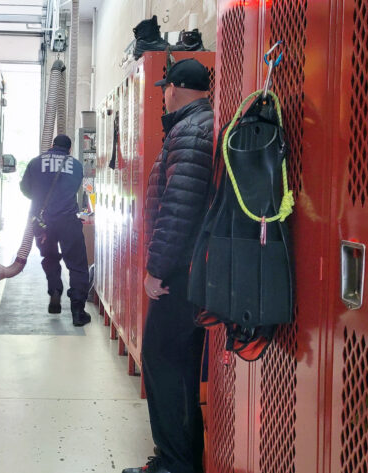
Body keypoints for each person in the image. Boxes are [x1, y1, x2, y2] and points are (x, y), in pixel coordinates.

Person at [123, 59, 214, 473]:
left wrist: (156, 269)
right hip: (192, 269)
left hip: (182, 274)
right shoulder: (193, 127)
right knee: (174, 367)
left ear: (175, 88)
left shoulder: (190, 132)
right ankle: (179, 459)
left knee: (164, 363)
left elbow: (180, 208)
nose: (161, 93)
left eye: (164, 87)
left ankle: (176, 464)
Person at [20, 134, 92, 327]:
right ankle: (78, 311)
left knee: (50, 257)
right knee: (77, 265)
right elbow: (76, 188)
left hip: (43, 222)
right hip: (68, 220)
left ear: (52, 145)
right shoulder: (76, 165)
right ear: (69, 148)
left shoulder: (35, 163)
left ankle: (55, 292)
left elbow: (25, 188)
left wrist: (40, 200)